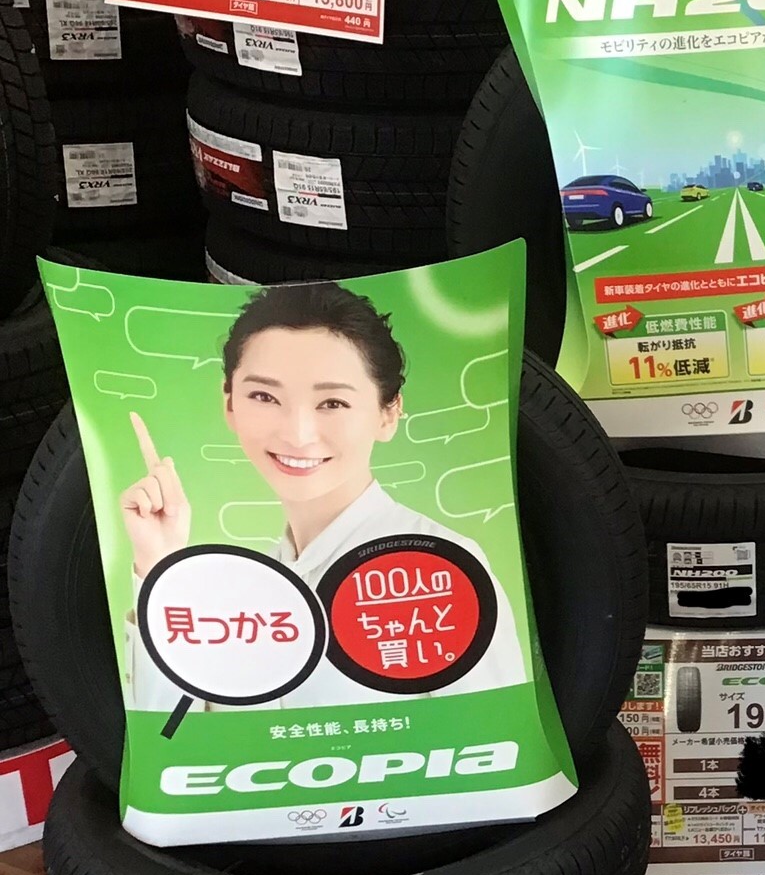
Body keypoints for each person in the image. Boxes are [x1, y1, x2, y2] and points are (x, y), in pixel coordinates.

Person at [122, 280, 527, 712]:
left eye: (332, 403)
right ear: (230, 405)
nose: (297, 434)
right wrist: (158, 568)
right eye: (264, 396)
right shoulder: (236, 590)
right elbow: (170, 738)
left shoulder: (442, 568)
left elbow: (499, 741)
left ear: (388, 413)